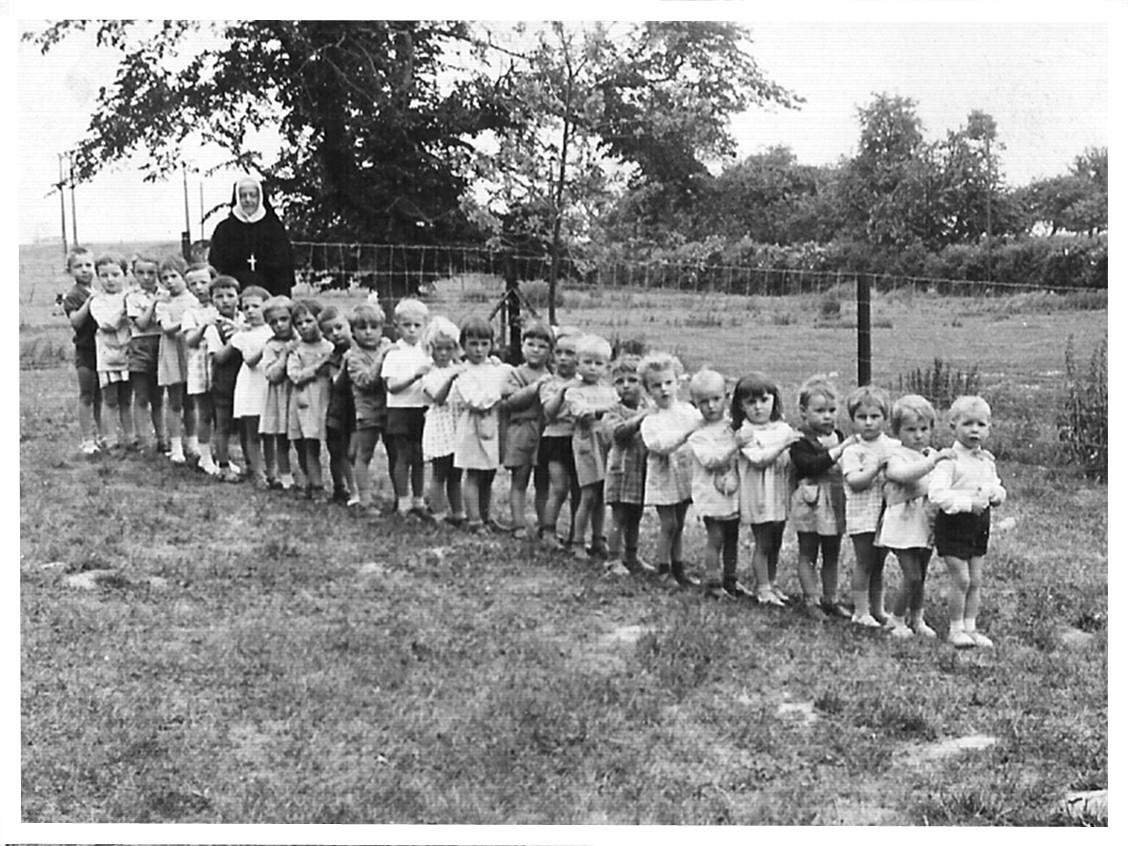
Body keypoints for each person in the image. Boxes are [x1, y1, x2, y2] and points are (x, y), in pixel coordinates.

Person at [928, 396, 1007, 649]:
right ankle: (955, 629)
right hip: (954, 525)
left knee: (975, 579)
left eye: (981, 425)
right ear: (953, 425)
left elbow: (995, 484)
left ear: (989, 428)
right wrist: (966, 503)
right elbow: (937, 494)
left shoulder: (986, 460)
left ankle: (970, 627)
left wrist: (997, 494)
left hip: (978, 525)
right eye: (968, 424)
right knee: (961, 579)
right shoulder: (949, 460)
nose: (975, 430)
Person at [878, 394, 955, 638]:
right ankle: (896, 619)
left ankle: (917, 617)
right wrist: (933, 462)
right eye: (911, 429)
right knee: (912, 574)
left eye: (924, 429)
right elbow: (905, 475)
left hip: (925, 521)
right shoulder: (895, 456)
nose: (918, 435)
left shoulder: (929, 453)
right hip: (903, 523)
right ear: (897, 430)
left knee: (921, 573)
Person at [788, 377, 857, 620]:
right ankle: (811, 598)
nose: (827, 417)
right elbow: (811, 465)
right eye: (819, 411)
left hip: (834, 499)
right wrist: (839, 451)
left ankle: (831, 598)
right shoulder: (800, 441)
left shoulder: (838, 435)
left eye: (831, 410)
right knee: (808, 551)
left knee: (832, 551)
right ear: (804, 412)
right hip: (811, 502)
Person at [733, 371, 802, 606]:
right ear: (741, 406)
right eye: (751, 402)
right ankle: (762, 588)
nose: (758, 407)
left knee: (777, 539)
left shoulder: (782, 427)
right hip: (760, 494)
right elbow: (759, 460)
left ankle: (773, 583)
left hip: (780, 492)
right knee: (763, 541)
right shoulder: (745, 432)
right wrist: (784, 445)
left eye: (764, 400)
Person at [639, 352, 701, 587]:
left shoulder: (688, 411)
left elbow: (702, 430)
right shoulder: (651, 420)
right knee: (669, 523)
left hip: (684, 475)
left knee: (680, 522)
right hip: (664, 478)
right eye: (656, 385)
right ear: (647, 389)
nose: (664, 390)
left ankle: (678, 566)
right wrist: (687, 433)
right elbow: (660, 446)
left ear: (678, 382)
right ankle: (662, 569)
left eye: (668, 383)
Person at [842, 385, 900, 627]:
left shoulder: (894, 446)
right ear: (853, 420)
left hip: (886, 513)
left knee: (879, 562)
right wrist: (876, 467)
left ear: (885, 419)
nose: (868, 423)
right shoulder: (853, 451)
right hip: (863, 513)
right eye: (862, 417)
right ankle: (860, 611)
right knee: (864, 561)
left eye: (875, 417)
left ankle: (878, 608)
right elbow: (855, 482)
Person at [450, 316, 513, 533]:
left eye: (484, 344)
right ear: (463, 345)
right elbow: (474, 401)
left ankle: (486, 516)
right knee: (475, 474)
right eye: (473, 344)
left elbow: (508, 374)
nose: (478, 350)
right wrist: (499, 393)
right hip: (473, 427)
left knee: (489, 473)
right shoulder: (463, 372)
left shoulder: (493, 366)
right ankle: (474, 519)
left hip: (493, 426)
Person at [686, 369, 743, 600]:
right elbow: (710, 461)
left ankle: (731, 578)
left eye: (716, 399)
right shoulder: (698, 433)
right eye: (703, 402)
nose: (711, 406)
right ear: (695, 403)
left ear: (726, 397)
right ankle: (712, 581)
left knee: (732, 536)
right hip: (710, 494)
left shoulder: (732, 427)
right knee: (716, 536)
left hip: (732, 491)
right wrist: (734, 446)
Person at [563, 334, 619, 560]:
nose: (593, 368)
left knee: (602, 495)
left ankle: (598, 538)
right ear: (578, 364)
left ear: (606, 367)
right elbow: (582, 413)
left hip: (607, 445)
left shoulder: (609, 390)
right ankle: (577, 540)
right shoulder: (574, 390)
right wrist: (606, 410)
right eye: (588, 362)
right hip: (587, 445)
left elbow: (618, 409)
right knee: (588, 494)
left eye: (598, 363)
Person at [500, 321, 554, 540]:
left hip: (545, 431)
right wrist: (535, 387)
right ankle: (518, 524)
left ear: (550, 351)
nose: (535, 349)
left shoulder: (551, 374)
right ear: (522, 346)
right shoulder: (515, 373)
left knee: (544, 482)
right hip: (521, 429)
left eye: (542, 346)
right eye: (530, 344)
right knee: (520, 479)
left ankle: (545, 524)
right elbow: (510, 402)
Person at [381, 298, 432, 519]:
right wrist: (414, 376)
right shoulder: (394, 353)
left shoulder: (427, 351)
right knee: (402, 456)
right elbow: (391, 386)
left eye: (417, 325)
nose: (412, 330)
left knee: (420, 455)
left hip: (422, 409)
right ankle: (403, 500)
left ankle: (419, 500)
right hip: (400, 410)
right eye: (406, 325)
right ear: (396, 326)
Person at [603, 354, 653, 576]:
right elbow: (618, 433)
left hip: (642, 470)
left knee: (636, 514)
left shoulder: (649, 407)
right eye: (620, 381)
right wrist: (641, 418)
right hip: (621, 471)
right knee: (619, 515)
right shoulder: (612, 410)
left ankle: (632, 555)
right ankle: (612, 558)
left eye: (632, 380)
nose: (626, 386)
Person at [208, 175, 295, 297]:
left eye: (252, 195)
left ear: (260, 198)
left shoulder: (274, 229)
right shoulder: (224, 229)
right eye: (243, 196)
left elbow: (284, 268)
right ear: (237, 198)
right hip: (233, 296)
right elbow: (217, 266)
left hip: (271, 293)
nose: (248, 200)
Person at [345, 303, 394, 513]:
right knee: (363, 455)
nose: (368, 332)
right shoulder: (353, 357)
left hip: (390, 409)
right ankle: (364, 500)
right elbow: (365, 381)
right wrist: (382, 359)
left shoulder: (388, 346)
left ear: (382, 328)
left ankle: (402, 498)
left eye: (374, 327)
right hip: (367, 411)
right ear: (353, 332)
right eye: (362, 328)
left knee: (396, 454)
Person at [537, 327, 582, 549]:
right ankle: (548, 531)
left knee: (579, 489)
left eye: (570, 353)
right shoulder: (549, 382)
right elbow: (548, 412)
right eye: (559, 352)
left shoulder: (585, 382)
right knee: (559, 488)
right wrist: (563, 391)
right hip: (555, 438)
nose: (563, 358)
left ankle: (577, 534)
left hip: (580, 440)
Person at [286, 299, 335, 499]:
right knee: (308, 444)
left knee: (334, 445)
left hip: (327, 400)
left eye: (309, 321)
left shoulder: (330, 346)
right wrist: (316, 367)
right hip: (305, 402)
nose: (304, 326)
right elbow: (295, 375)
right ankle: (315, 484)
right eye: (299, 324)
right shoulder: (297, 349)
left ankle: (341, 485)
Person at [420, 317, 466, 525]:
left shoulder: (459, 368)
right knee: (440, 472)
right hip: (440, 425)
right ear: (431, 348)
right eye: (440, 349)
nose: (444, 353)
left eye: (449, 348)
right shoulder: (429, 371)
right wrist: (451, 379)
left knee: (456, 473)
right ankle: (437, 512)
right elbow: (438, 398)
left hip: (458, 424)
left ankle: (458, 512)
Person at [226, 286, 274, 486]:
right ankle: (256, 470)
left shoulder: (274, 329)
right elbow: (249, 361)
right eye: (246, 307)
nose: (251, 311)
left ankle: (273, 471)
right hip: (251, 383)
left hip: (270, 382)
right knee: (252, 429)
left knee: (270, 430)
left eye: (256, 306)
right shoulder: (243, 335)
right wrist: (267, 346)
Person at [154, 255, 199, 465]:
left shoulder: (194, 300)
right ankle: (176, 446)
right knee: (174, 401)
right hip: (173, 351)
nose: (169, 281)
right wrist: (186, 321)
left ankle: (193, 442)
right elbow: (167, 328)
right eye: (165, 278)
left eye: (174, 276)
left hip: (190, 350)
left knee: (191, 401)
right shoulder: (163, 303)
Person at [88, 252, 134, 452]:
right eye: (104, 275)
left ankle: (131, 438)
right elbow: (107, 324)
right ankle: (111, 438)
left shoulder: (131, 296)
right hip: (108, 356)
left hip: (129, 354)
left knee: (126, 399)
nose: (110, 280)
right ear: (98, 277)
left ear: (124, 274)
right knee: (110, 400)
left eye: (115, 274)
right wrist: (124, 310)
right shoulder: (98, 301)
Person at [61, 246, 104, 455]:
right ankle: (87, 439)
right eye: (79, 266)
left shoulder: (100, 290)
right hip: (85, 351)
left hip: (103, 351)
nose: (85, 270)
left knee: (102, 396)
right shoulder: (72, 296)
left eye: (89, 265)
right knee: (87, 394)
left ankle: (104, 435)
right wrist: (89, 302)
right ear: (70, 270)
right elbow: (76, 322)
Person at [202, 275, 245, 482]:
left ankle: (252, 463)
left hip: (246, 380)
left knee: (247, 422)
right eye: (219, 296)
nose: (225, 300)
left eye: (230, 295)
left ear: (239, 297)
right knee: (223, 424)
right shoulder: (213, 327)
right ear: (212, 301)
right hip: (224, 381)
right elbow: (218, 357)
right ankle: (223, 464)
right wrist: (238, 340)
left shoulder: (246, 321)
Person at [180, 263, 221, 474]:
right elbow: (190, 340)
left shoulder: (223, 305)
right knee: (205, 413)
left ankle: (222, 456)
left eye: (203, 282)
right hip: (201, 367)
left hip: (221, 366)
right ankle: (205, 457)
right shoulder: (191, 313)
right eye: (192, 284)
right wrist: (205, 325)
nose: (199, 287)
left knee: (222, 414)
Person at [124, 253, 165, 453]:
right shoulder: (132, 297)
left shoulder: (165, 293)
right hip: (140, 346)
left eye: (152, 273)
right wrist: (154, 304)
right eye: (141, 273)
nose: (147, 277)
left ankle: (162, 438)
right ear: (134, 274)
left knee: (158, 397)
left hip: (161, 345)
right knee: (141, 396)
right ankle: (143, 440)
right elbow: (141, 322)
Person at [319, 306, 357, 505]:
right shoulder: (333, 357)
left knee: (354, 451)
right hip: (339, 409)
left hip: (359, 408)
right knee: (336, 449)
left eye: (339, 327)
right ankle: (340, 488)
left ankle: (356, 488)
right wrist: (345, 364)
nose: (335, 334)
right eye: (329, 331)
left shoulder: (361, 349)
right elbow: (336, 383)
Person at [259, 296, 297, 490]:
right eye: (273, 322)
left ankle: (307, 475)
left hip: (299, 395)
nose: (279, 325)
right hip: (280, 396)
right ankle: (285, 475)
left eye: (284, 319)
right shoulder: (271, 346)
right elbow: (272, 375)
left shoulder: (300, 340)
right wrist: (284, 355)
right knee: (281, 437)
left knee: (301, 438)